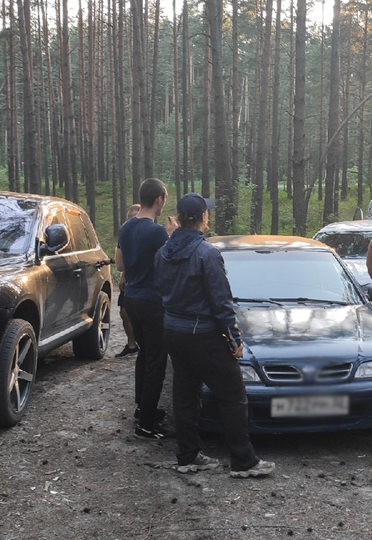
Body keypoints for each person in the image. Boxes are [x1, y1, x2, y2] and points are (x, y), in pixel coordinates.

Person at [155, 193, 275, 478]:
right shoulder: (206, 253)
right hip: (203, 334)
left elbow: (160, 289)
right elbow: (221, 302)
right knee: (233, 394)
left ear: (181, 218)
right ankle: (243, 461)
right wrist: (234, 340)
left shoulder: (163, 251)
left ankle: (187, 455)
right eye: (207, 213)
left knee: (185, 392)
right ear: (202, 218)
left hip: (173, 331)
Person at [117, 178, 177, 439]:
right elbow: (172, 263)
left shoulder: (127, 226)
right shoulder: (156, 232)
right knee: (156, 361)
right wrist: (173, 236)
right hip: (152, 301)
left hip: (131, 298)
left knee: (144, 354)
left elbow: (119, 265)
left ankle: (143, 409)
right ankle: (146, 425)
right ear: (159, 200)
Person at [114, 203, 142, 358]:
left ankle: (144, 343)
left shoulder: (150, 231)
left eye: (134, 217)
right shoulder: (125, 233)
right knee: (124, 312)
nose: (131, 221)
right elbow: (121, 259)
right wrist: (123, 273)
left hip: (144, 280)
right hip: (129, 277)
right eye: (128, 218)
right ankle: (132, 344)